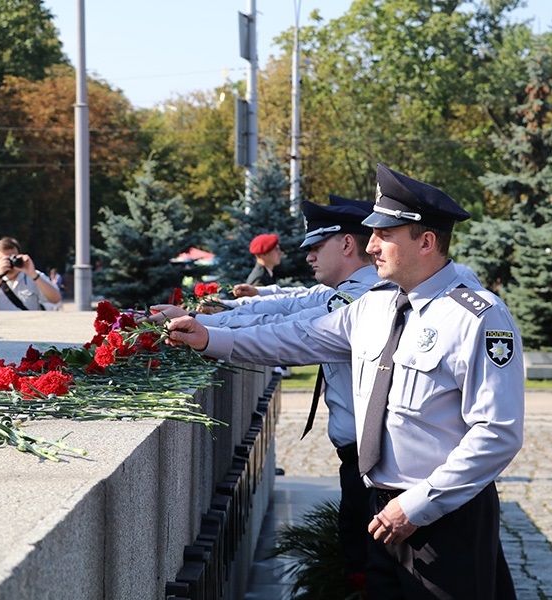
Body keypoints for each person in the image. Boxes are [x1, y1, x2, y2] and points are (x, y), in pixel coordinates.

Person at [162, 163, 524, 599]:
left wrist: (417, 506)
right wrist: (210, 338)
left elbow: (497, 433)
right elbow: (297, 338)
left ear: (426, 241)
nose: (370, 247)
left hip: (443, 515)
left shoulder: (477, 316)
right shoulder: (375, 306)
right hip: (381, 508)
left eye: (384, 235)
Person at [148, 196, 381, 591]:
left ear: (345, 244)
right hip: (360, 456)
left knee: (374, 571)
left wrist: (209, 334)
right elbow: (288, 306)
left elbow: (293, 333)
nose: (307, 256)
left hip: (372, 461)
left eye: (316, 247)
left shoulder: (363, 294)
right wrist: (212, 319)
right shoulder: (350, 290)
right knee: (364, 563)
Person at [0, 237, 61, 311]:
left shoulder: (34, 276)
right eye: (3, 259)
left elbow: (55, 299)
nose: (8, 263)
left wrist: (33, 274)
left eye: (12, 257)